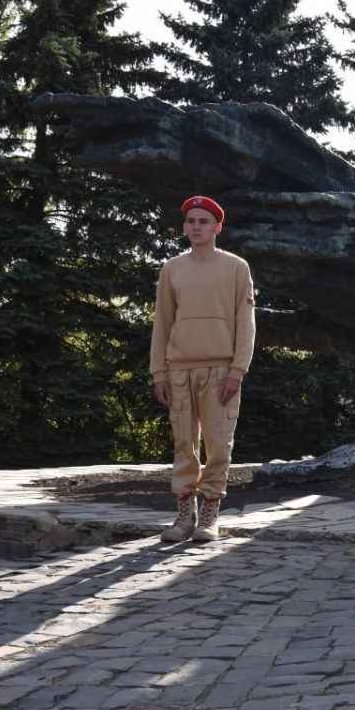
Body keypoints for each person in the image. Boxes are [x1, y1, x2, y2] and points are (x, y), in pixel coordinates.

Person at [151, 195, 256, 542]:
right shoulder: (173, 268)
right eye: (191, 221)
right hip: (180, 370)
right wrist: (159, 373)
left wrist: (236, 371)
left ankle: (210, 511)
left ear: (217, 227)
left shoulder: (236, 267)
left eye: (203, 221)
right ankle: (185, 514)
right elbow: (162, 324)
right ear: (184, 226)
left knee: (218, 444)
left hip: (221, 370)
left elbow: (246, 323)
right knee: (184, 445)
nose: (196, 227)